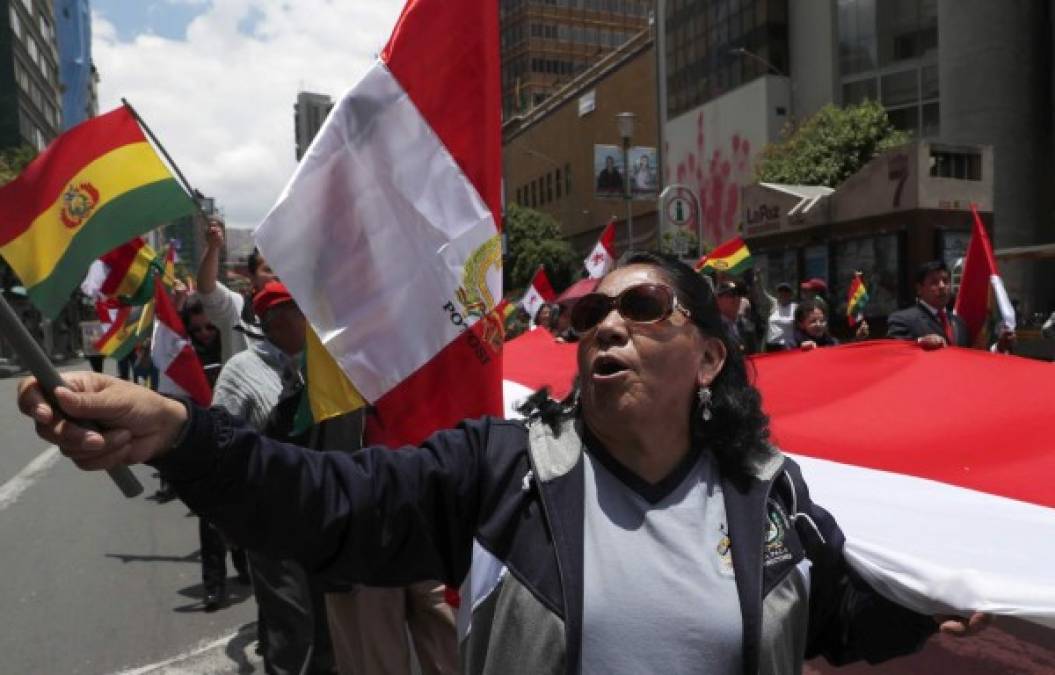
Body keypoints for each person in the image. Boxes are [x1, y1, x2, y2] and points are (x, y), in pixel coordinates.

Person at [17, 252, 988, 674]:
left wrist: (938, 595)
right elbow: (326, 503)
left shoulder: (769, 491)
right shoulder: (499, 469)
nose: (605, 323)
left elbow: (834, 617)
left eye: (642, 310)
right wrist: (183, 432)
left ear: (707, 356)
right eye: (588, 315)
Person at [209, 280, 336, 674]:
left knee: (329, 622)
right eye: (304, 315)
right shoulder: (241, 370)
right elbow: (219, 444)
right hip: (271, 519)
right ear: (277, 321)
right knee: (291, 626)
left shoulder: (327, 362)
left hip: (326, 511)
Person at [182, 298, 249, 611]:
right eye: (197, 329)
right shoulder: (182, 354)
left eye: (209, 327)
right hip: (203, 441)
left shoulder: (237, 346)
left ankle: (245, 565)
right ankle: (214, 586)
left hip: (238, 434)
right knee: (210, 517)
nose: (205, 334)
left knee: (243, 511)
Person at [887, 260, 969, 349]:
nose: (942, 286)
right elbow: (896, 350)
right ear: (919, 289)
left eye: (945, 281)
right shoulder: (902, 320)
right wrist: (920, 342)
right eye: (934, 282)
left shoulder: (959, 322)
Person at [765, 282, 797, 351]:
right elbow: (761, 294)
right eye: (780, 291)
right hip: (771, 346)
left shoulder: (795, 308)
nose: (783, 293)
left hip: (788, 347)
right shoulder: (774, 304)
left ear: (790, 294)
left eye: (786, 291)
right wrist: (757, 280)